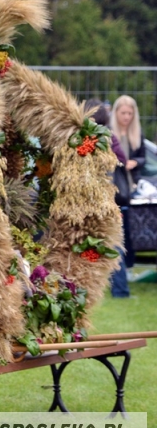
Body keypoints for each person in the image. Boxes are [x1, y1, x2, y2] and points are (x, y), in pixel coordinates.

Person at [86, 99, 130, 298]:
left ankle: (84, 288)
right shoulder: (109, 137)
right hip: (107, 199)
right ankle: (120, 289)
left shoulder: (78, 139)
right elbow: (122, 160)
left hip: (83, 201)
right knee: (113, 243)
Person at [110, 95, 145, 272]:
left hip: (131, 185)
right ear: (116, 112)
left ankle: (127, 266)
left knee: (129, 229)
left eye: (130, 113)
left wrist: (135, 162)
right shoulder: (109, 133)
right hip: (115, 185)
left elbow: (143, 157)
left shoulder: (137, 133)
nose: (126, 117)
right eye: (123, 113)